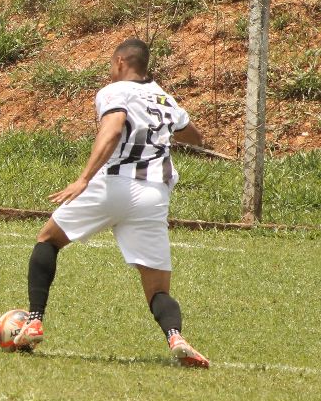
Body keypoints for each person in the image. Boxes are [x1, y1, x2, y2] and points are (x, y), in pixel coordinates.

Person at [14, 38, 209, 368]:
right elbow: (196, 136)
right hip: (153, 196)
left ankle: (34, 321)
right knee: (158, 289)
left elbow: (114, 128)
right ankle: (176, 337)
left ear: (120, 62)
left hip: (112, 185)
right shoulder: (164, 97)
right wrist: (161, 132)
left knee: (48, 239)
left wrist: (83, 178)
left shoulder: (115, 90)